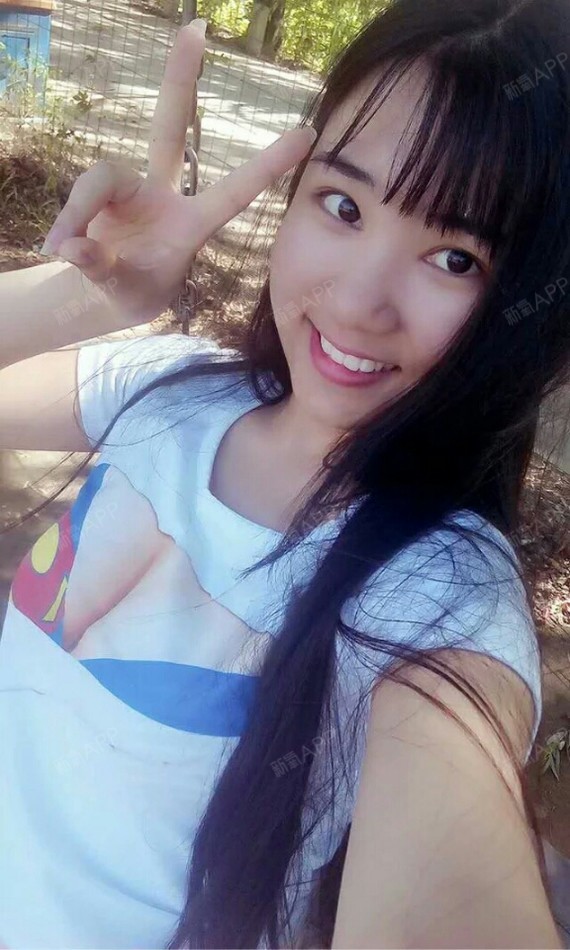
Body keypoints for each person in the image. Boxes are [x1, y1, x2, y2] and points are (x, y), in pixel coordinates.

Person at [0, 0, 567, 945]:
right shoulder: (174, 387)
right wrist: (84, 299)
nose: (356, 300)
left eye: (454, 256)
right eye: (343, 205)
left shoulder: (441, 595)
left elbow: (450, 880)